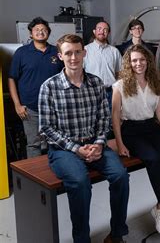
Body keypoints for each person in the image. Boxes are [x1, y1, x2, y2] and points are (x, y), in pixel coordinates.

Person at [38, 34, 129, 243]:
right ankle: (81, 239)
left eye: (77, 52)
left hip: (94, 144)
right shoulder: (49, 87)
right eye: (68, 53)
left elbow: (104, 118)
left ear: (84, 53)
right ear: (60, 56)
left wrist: (98, 143)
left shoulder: (96, 83)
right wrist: (75, 149)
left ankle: (117, 234)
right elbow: (46, 128)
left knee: (121, 176)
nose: (73, 57)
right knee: (79, 182)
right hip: (63, 150)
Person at [111, 44, 160, 236]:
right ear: (129, 63)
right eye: (134, 60)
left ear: (148, 62)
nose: (138, 63)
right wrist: (119, 143)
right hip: (131, 130)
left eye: (142, 60)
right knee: (152, 158)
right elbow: (115, 116)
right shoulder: (119, 85)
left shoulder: (155, 82)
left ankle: (159, 207)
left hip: (150, 127)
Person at [8, 17, 64, 158]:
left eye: (44, 29)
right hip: (30, 108)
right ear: (30, 34)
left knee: (56, 142)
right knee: (34, 144)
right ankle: (36, 178)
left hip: (54, 107)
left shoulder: (56, 52)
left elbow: (66, 76)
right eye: (37, 30)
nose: (40, 32)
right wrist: (17, 105)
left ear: (49, 33)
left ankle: (54, 173)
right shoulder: (22, 53)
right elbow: (12, 79)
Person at [83, 21, 122, 107]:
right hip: (91, 92)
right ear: (94, 31)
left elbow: (119, 73)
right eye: (99, 29)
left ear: (108, 33)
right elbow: (80, 73)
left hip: (111, 93)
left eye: (105, 30)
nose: (102, 31)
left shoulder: (114, 51)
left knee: (111, 119)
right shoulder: (85, 50)